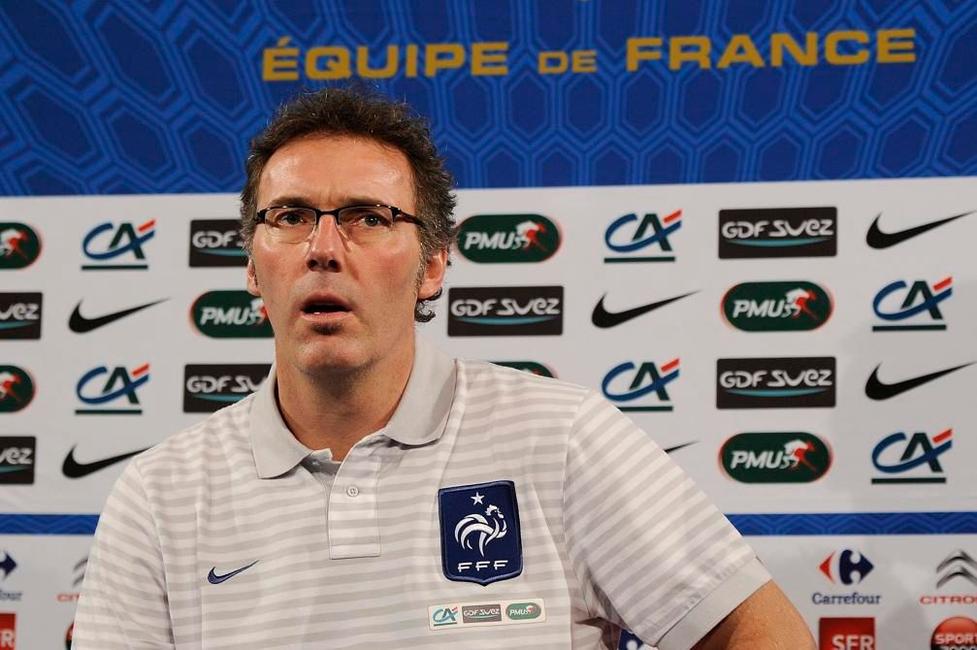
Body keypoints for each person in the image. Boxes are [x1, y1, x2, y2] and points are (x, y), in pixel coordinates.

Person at [73, 86, 815, 649]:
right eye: (290, 217)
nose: (323, 249)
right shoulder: (159, 494)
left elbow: (757, 633)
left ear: (432, 266)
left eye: (368, 217)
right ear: (251, 267)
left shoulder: (560, 437)